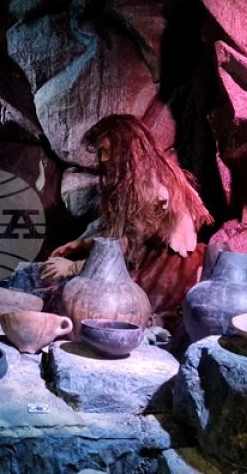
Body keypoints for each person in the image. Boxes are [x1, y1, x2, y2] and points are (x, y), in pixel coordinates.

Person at [41, 114, 212, 331]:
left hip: (164, 274)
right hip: (150, 263)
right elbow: (120, 232)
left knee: (112, 311)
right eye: (100, 152)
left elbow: (127, 247)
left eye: (106, 150)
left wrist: (73, 267)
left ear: (126, 148)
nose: (103, 159)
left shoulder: (151, 187)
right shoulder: (146, 176)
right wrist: (80, 244)